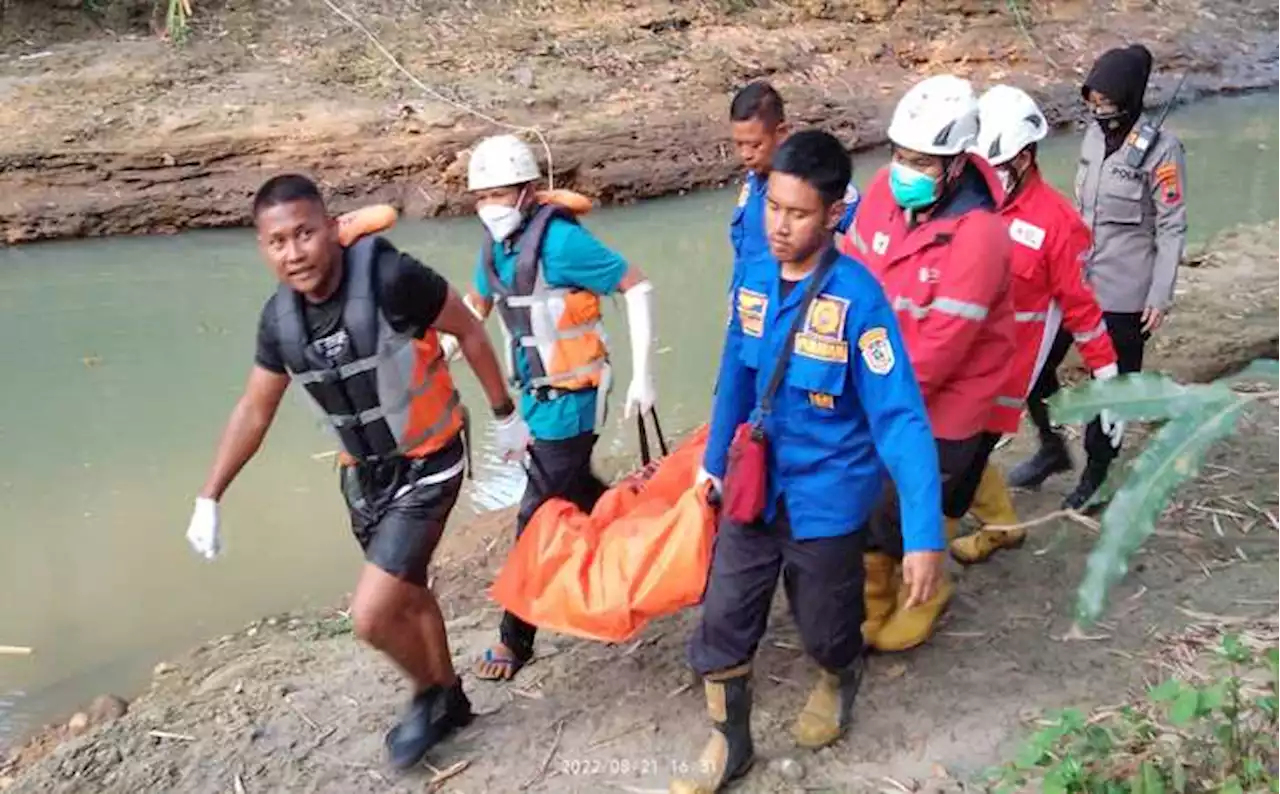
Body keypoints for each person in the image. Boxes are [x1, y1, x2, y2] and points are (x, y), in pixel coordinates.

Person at [183, 175, 531, 770]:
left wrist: (506, 415)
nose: (294, 253)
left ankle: (427, 694)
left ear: (330, 229)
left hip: (430, 460)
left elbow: (468, 329)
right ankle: (451, 698)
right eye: (277, 242)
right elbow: (254, 410)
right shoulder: (279, 323)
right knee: (411, 592)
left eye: (305, 234)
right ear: (262, 248)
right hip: (364, 477)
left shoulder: (392, 278)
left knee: (371, 617)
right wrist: (209, 497)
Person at [674, 129, 944, 793]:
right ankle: (729, 742)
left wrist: (924, 534)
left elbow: (901, 419)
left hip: (827, 494)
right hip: (754, 484)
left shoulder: (859, 300)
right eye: (773, 207)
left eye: (797, 214)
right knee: (724, 617)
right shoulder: (754, 275)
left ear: (833, 215)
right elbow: (735, 372)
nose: (779, 226)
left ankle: (838, 675)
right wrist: (712, 462)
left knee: (826, 622)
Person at [460, 134, 658, 682]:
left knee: (536, 513)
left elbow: (637, 287)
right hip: (535, 397)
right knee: (580, 494)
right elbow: (478, 303)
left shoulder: (565, 244)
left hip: (575, 397)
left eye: (500, 194)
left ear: (527, 192)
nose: (490, 206)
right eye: (482, 196)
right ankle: (648, 538)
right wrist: (450, 347)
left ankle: (514, 639)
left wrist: (645, 376)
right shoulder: (494, 248)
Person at [840, 74, 1015, 651]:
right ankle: (874, 598)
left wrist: (864, 396)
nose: (905, 170)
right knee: (866, 494)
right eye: (900, 156)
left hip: (947, 402)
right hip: (879, 379)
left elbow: (941, 348)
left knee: (907, 500)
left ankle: (926, 591)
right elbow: (851, 282)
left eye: (922, 161)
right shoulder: (883, 197)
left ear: (957, 164)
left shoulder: (980, 237)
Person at [1012, 44, 1188, 508]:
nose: (1098, 110)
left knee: (1109, 387)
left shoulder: (1163, 151)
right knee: (1036, 365)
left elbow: (1171, 226)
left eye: (1106, 102)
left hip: (1124, 291)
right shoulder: (1091, 138)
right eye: (1092, 102)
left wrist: (1160, 293)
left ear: (1129, 97)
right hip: (1074, 278)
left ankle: (1097, 475)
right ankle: (1051, 449)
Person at [952, 84, 1122, 563]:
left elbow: (1081, 308)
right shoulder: (968, 198)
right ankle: (1002, 511)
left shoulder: (1055, 223)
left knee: (966, 450)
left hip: (1012, 359)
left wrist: (1106, 378)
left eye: (997, 166)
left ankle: (984, 527)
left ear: (1024, 158)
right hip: (963, 350)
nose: (987, 175)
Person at [728, 80, 859, 286]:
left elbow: (868, 231)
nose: (746, 155)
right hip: (750, 304)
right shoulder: (755, 180)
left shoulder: (812, 178)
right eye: (739, 144)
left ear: (781, 133)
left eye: (755, 145)